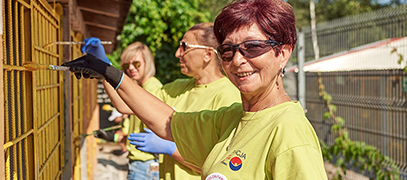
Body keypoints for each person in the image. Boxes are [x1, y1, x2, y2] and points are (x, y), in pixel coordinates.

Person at [64, 0, 328, 178]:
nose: (237, 60)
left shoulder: (289, 131)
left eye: (253, 47)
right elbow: (168, 122)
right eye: (228, 50)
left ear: (283, 53)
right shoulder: (232, 118)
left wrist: (169, 149)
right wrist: (108, 71)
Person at [128, 23, 241, 180]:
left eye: (184, 46)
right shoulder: (177, 88)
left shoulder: (228, 96)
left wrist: (172, 149)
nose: (177, 53)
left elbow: (221, 166)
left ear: (208, 54)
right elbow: (128, 104)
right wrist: (106, 71)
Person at [83, 39, 163, 180]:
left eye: (136, 64)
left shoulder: (152, 88)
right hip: (142, 164)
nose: (131, 68)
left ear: (148, 63)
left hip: (144, 165)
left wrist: (105, 70)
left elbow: (123, 105)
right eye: (127, 65)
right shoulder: (144, 87)